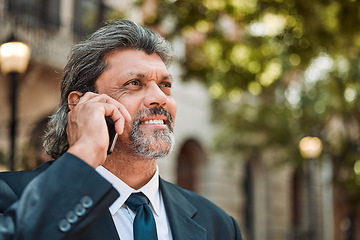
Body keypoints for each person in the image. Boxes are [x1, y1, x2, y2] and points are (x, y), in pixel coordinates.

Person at [0, 19, 242, 240]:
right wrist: (85, 151)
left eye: (165, 85)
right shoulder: (9, 196)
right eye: (134, 83)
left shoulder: (219, 225)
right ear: (80, 103)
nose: (160, 97)